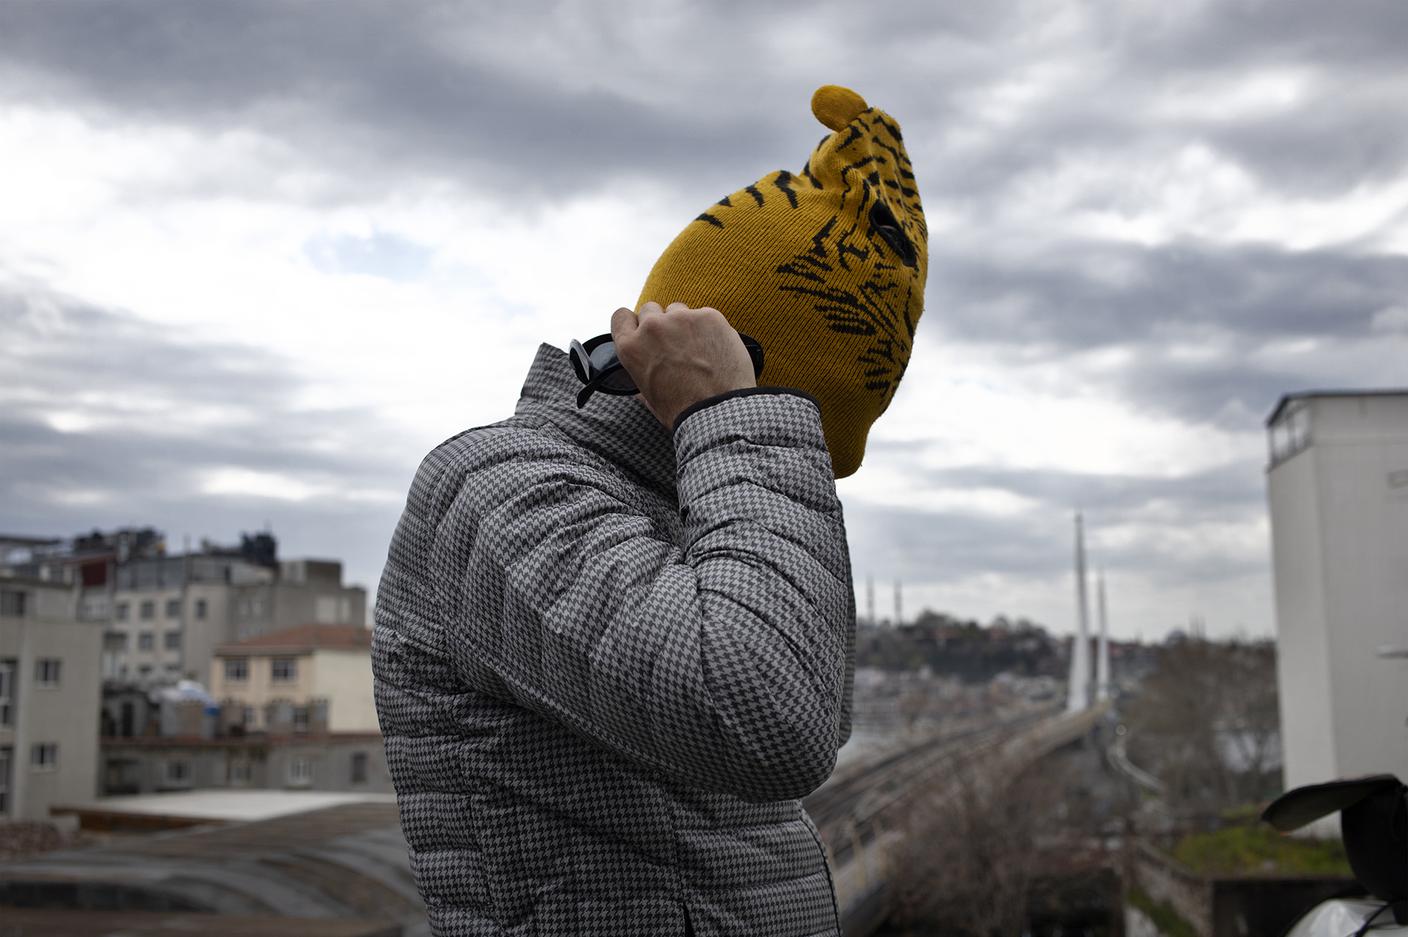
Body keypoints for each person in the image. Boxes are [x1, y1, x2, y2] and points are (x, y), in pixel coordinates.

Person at [373, 84, 928, 937]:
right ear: (731, 374)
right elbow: (768, 717)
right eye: (804, 429)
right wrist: (737, 424)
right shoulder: (497, 491)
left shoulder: (702, 518)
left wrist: (737, 445)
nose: (809, 463)